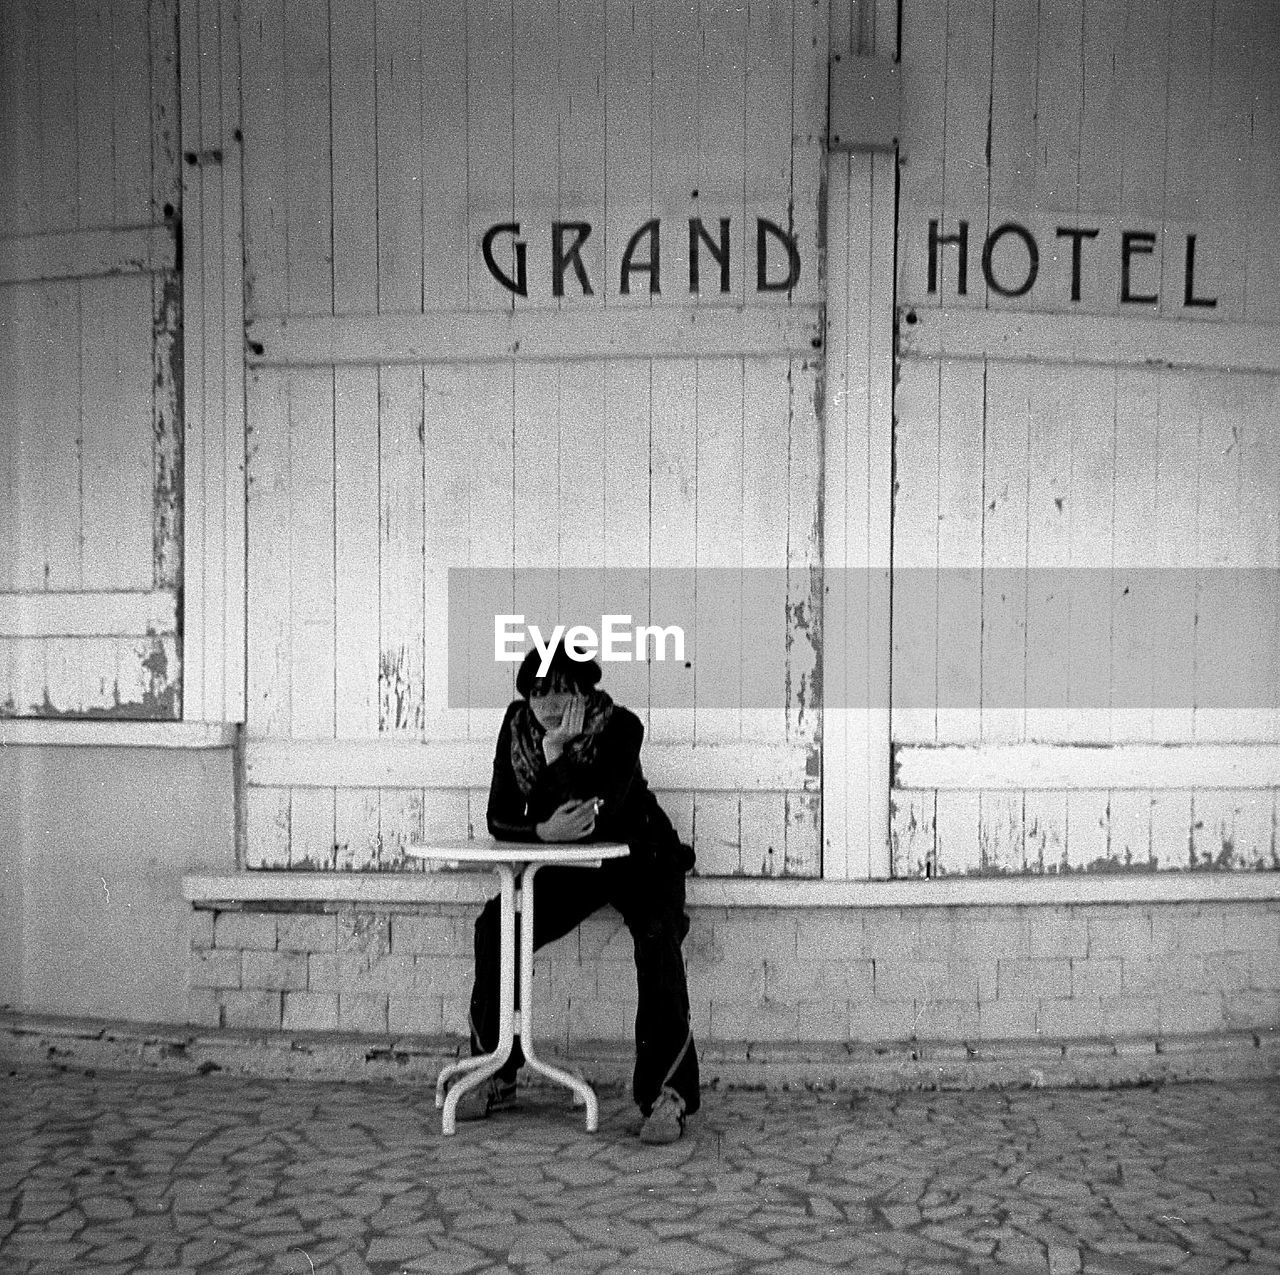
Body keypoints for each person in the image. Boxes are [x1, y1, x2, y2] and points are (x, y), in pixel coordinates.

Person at [455, 644, 700, 1143]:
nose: (549, 703)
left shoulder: (622, 726)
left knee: (657, 937)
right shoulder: (518, 727)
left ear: (584, 692)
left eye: (563, 689)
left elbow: (595, 818)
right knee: (497, 925)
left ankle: (666, 1095)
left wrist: (559, 757)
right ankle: (494, 1071)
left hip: (641, 854)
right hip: (574, 865)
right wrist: (541, 831)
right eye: (540, 690)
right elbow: (499, 816)